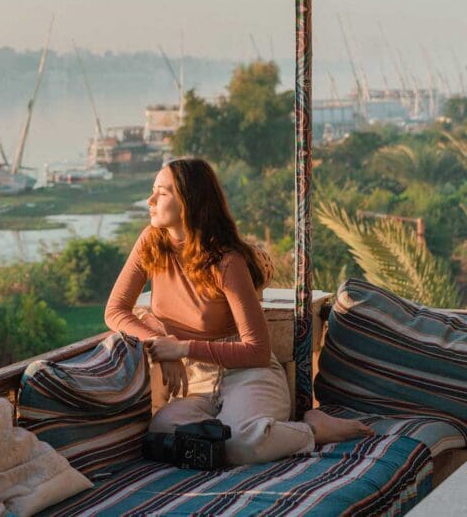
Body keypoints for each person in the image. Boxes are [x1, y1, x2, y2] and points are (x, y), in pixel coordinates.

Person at [105, 157, 373, 465]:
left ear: (188, 202)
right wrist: (160, 346)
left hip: (246, 373)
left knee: (242, 443)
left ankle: (312, 428)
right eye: (153, 190)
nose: (150, 201)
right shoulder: (150, 243)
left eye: (162, 193)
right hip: (196, 381)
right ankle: (246, 430)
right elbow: (116, 310)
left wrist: (182, 347)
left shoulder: (226, 261)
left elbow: (257, 351)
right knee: (163, 432)